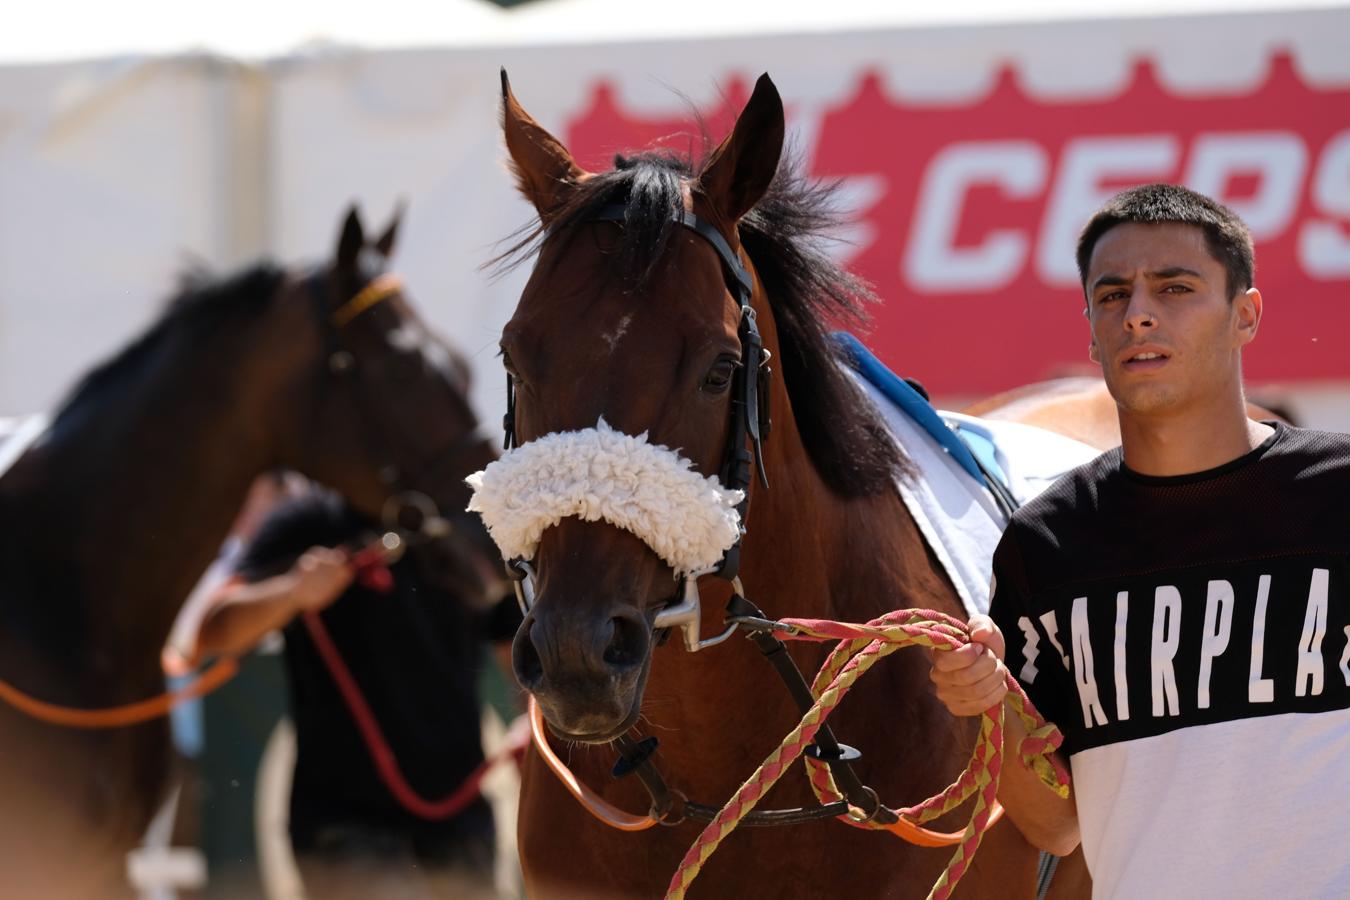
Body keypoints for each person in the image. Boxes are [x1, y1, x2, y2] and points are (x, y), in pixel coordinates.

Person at [930, 183, 1350, 897]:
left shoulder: (1339, 492)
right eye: (1113, 295)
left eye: (1176, 288)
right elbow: (1058, 824)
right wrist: (986, 702)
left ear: (1244, 313)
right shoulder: (1045, 542)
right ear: (1091, 330)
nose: (1139, 315)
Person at [182, 485, 520, 900]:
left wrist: (530, 725)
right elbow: (213, 632)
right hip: (343, 826)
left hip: (461, 820)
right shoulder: (310, 521)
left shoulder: (468, 522)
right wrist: (292, 591)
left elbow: (515, 643)